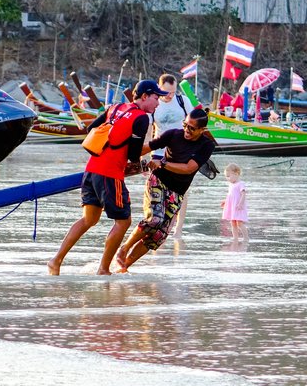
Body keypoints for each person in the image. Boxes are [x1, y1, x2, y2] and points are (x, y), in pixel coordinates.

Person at [48, 80, 164, 276]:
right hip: (110, 175)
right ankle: (103, 269)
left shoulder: (116, 107)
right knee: (123, 222)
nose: (157, 103)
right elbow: (134, 155)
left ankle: (55, 260)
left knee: (88, 219)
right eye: (156, 98)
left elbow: (91, 128)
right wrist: (149, 155)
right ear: (145, 96)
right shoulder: (142, 118)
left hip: (91, 170)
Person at [114, 107, 216, 272]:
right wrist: (121, 156)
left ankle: (124, 266)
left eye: (192, 128)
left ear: (202, 130)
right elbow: (144, 148)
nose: (186, 130)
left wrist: (163, 163)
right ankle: (124, 248)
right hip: (159, 181)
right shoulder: (173, 134)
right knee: (155, 219)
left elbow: (189, 168)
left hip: (177, 192)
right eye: (185, 125)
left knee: (158, 235)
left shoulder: (206, 145)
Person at [149, 74, 194, 245]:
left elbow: (194, 125)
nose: (169, 96)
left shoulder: (182, 101)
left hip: (180, 152)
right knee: (157, 192)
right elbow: (149, 128)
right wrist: (142, 155)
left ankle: (177, 229)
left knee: (181, 193)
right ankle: (157, 225)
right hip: (158, 151)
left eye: (173, 92)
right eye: (166, 92)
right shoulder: (154, 103)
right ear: (159, 88)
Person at [220, 163, 249, 244]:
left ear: (236, 174)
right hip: (232, 206)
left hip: (238, 206)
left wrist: (240, 203)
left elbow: (243, 194)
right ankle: (235, 238)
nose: (227, 178)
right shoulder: (231, 184)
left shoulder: (240, 184)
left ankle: (246, 238)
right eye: (226, 176)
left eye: (229, 176)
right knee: (233, 222)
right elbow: (230, 195)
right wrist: (225, 202)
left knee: (239, 223)